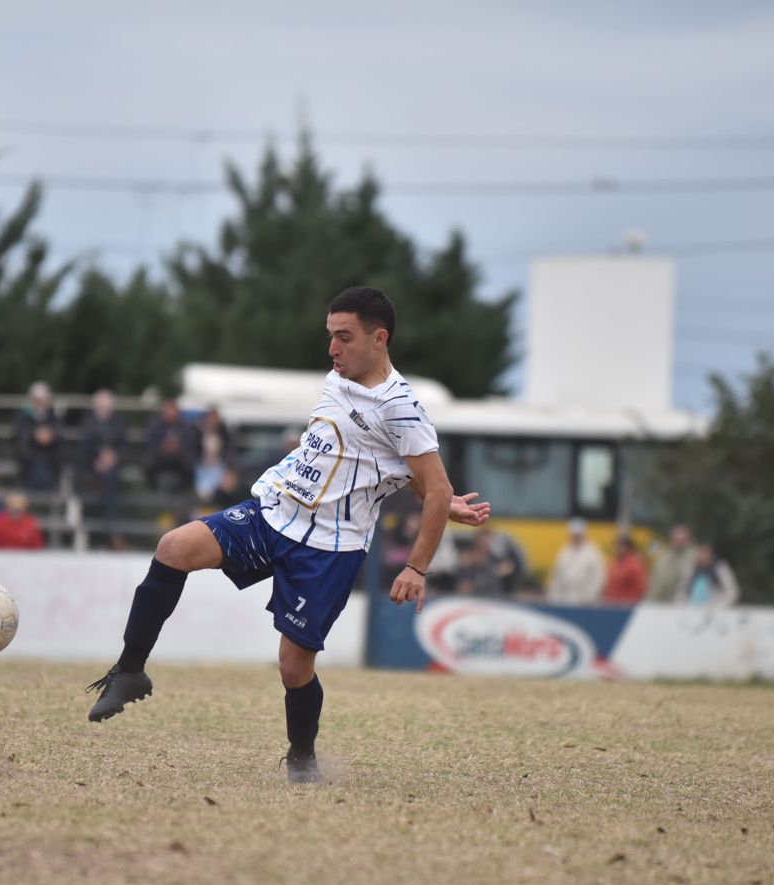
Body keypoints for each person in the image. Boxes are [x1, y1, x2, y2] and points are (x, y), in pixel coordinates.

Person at [82, 286, 491, 783]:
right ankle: (129, 671)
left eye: (344, 338)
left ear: (379, 338)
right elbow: (377, 467)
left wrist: (417, 562)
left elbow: (433, 484)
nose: (332, 349)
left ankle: (302, 759)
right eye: (330, 337)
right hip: (274, 511)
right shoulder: (338, 378)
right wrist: (438, 500)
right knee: (174, 547)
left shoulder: (401, 408)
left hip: (328, 548)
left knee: (294, 666)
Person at [16, 381, 65, 493]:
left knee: (58, 456)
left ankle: (52, 489)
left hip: (50, 451)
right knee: (24, 455)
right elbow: (19, 431)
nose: (40, 402)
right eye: (37, 399)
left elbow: (59, 430)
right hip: (30, 451)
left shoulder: (54, 413)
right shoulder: (24, 413)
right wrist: (34, 434)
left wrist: (50, 435)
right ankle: (27, 488)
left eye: (42, 399)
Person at [546, 518, 605, 605]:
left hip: (585, 601)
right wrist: (554, 597)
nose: (575, 538)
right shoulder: (564, 551)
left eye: (578, 535)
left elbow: (598, 578)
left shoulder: (593, 553)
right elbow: (556, 575)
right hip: (565, 599)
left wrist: (588, 598)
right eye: (573, 535)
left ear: (584, 535)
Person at [144, 398, 196, 496]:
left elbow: (189, 445)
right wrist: (163, 447)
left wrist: (178, 448)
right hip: (160, 459)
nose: (170, 413)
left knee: (189, 466)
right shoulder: (155, 425)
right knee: (149, 463)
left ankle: (181, 494)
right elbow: (151, 445)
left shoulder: (184, 426)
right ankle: (156, 492)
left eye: (172, 410)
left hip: (179, 461)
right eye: (168, 410)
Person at [647, 523, 696, 603]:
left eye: (682, 540)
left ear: (688, 540)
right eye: (676, 539)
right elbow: (655, 582)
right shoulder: (663, 558)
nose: (678, 543)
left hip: (680, 604)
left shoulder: (693, 559)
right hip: (658, 603)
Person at [683, 543, 738, 608]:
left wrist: (720, 606)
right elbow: (682, 591)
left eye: (705, 553)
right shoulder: (692, 569)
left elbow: (732, 592)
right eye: (700, 553)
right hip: (691, 609)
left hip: (715, 609)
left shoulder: (720, 568)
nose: (702, 556)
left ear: (711, 555)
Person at [601, 535, 650, 605]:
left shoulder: (635, 565)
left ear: (628, 548)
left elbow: (640, 588)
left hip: (626, 606)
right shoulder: (613, 562)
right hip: (610, 604)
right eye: (615, 545)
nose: (615, 548)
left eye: (619, 546)